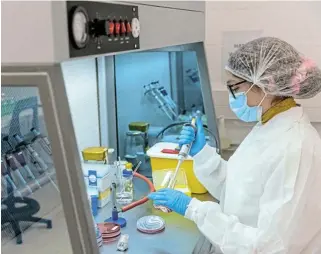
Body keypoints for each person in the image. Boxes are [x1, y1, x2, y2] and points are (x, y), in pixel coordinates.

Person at [148, 37, 321, 254]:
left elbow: (270, 247)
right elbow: (239, 191)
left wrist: (194, 210)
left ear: (265, 85)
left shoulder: (296, 147)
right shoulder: (269, 126)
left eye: (234, 88)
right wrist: (202, 154)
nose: (233, 97)